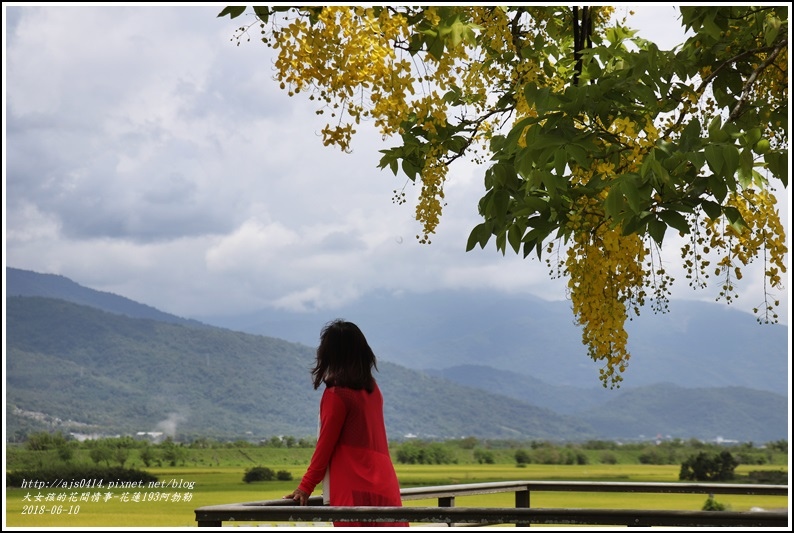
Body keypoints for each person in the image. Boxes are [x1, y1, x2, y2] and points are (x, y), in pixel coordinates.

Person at [284, 319, 408, 527]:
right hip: (385, 484)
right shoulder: (372, 389)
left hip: (353, 485)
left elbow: (325, 446)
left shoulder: (337, 394)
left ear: (328, 353)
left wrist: (305, 486)